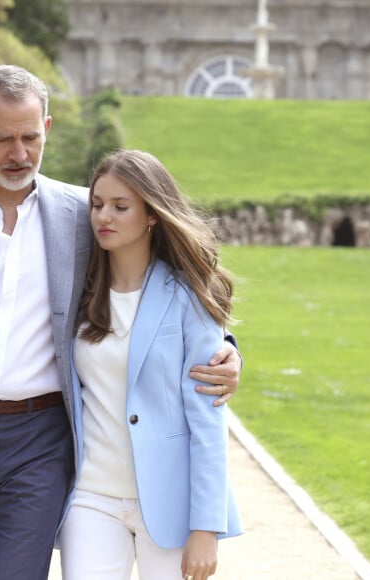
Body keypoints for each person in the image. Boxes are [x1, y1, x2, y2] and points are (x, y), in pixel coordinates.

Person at [0, 65, 242, 580]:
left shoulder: (85, 217)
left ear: (48, 129)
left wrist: (226, 350)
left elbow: (165, 280)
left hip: (37, 446)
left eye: (30, 137)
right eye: (2, 139)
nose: (18, 154)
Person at [59, 149, 243, 580]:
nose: (104, 216)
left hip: (170, 503)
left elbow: (208, 420)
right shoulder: (76, 292)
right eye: (98, 204)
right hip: (91, 496)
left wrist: (205, 527)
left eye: (121, 207)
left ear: (152, 216)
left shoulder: (188, 298)